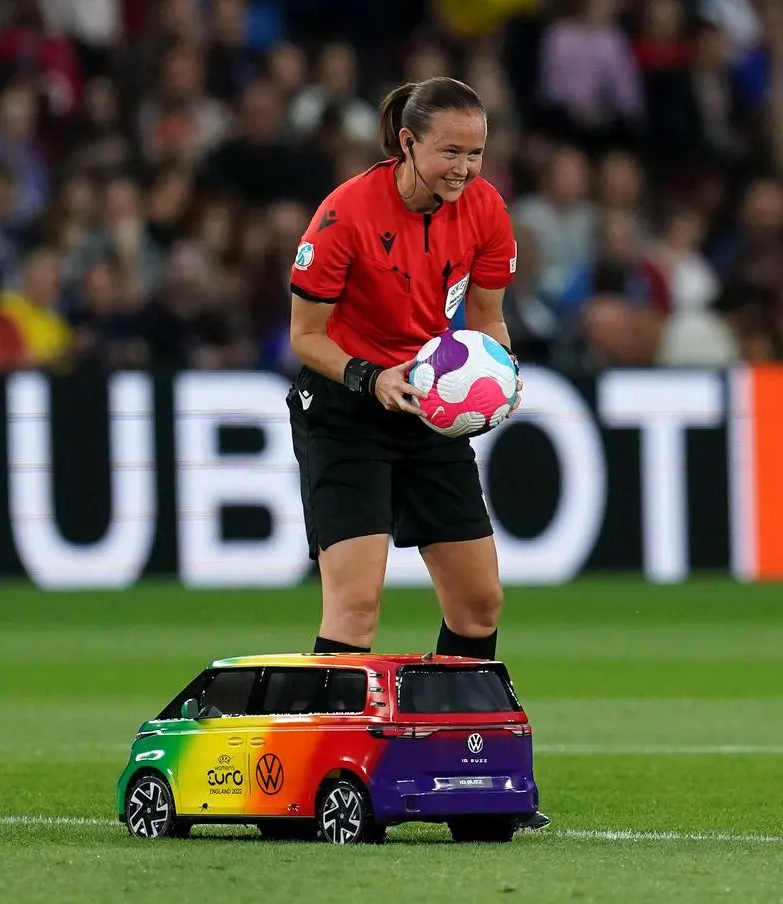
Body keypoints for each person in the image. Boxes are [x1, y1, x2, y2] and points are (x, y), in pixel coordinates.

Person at [286, 77, 548, 830]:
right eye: (450, 152)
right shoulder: (344, 215)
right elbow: (307, 337)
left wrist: (498, 378)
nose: (465, 169)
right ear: (407, 142)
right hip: (346, 410)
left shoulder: (486, 211)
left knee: (478, 604)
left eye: (476, 153)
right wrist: (373, 378)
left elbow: (488, 320)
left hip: (428, 408)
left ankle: (466, 770)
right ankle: (316, 780)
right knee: (356, 605)